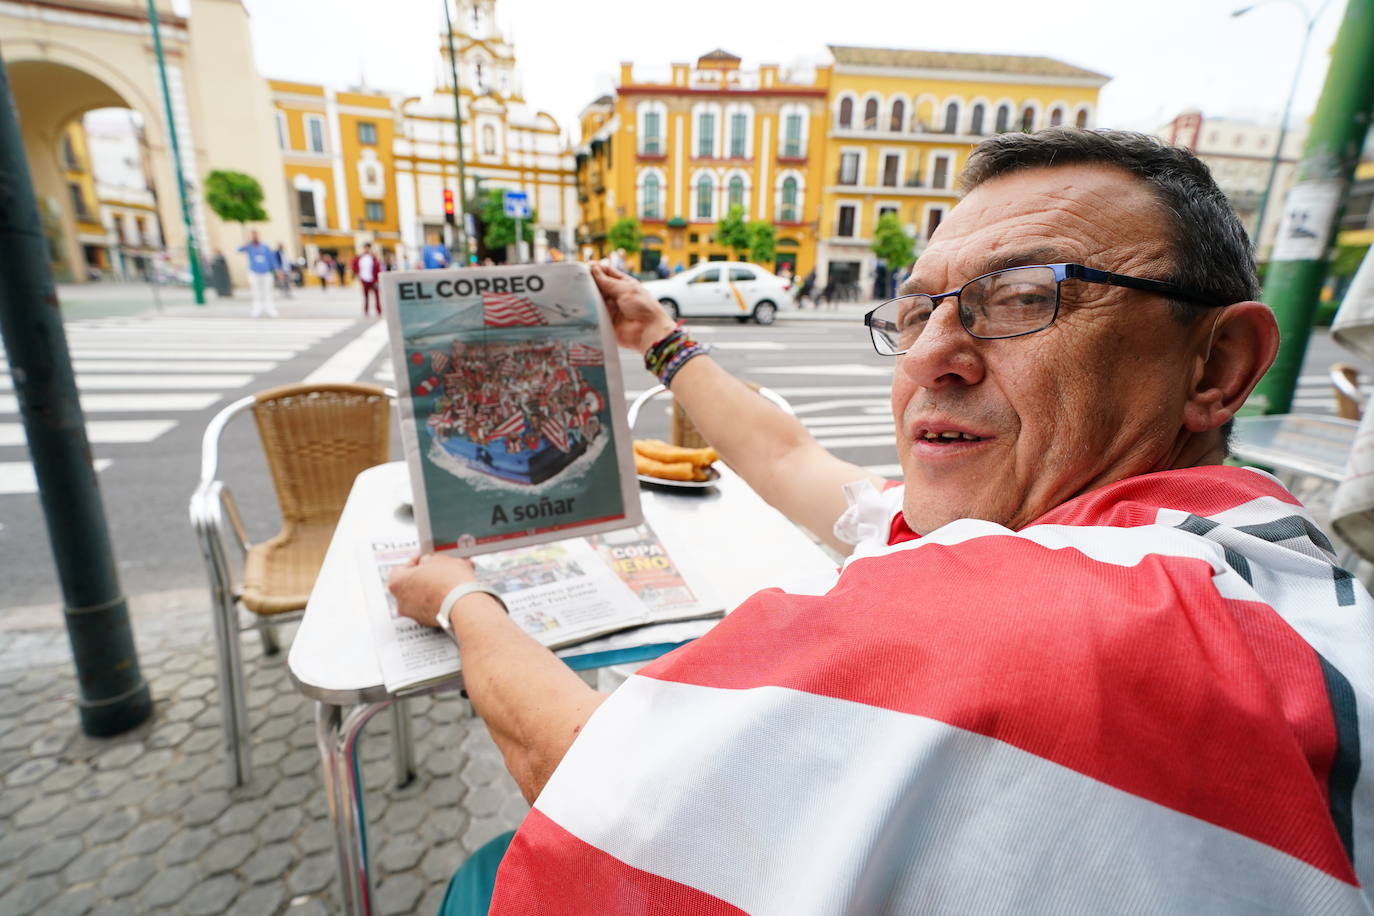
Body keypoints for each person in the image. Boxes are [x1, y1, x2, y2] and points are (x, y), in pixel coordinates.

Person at [389, 130, 1374, 911]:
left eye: (1024, 298)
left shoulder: (1034, 619)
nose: (929, 359)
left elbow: (585, 766)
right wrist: (662, 338)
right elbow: (794, 463)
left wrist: (465, 598)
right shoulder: (1245, 554)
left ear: (1215, 366)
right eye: (916, 314)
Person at [235, 231, 277, 318]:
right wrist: (246, 242)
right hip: (254, 272)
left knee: (267, 292)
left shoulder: (265, 246)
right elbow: (239, 250)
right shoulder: (249, 246)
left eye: (255, 235)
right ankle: (257, 309)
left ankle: (270, 309)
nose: (254, 237)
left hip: (266, 272)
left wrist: (277, 269)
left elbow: (272, 259)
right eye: (252, 236)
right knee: (256, 292)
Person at [351, 242, 383, 317]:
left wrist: (377, 280)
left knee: (377, 296)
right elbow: (354, 266)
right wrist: (358, 275)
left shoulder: (374, 258)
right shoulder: (359, 258)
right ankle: (366, 310)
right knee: (366, 297)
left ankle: (379, 310)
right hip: (364, 280)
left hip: (373, 280)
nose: (366, 249)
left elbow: (378, 268)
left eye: (367, 248)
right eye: (364, 248)